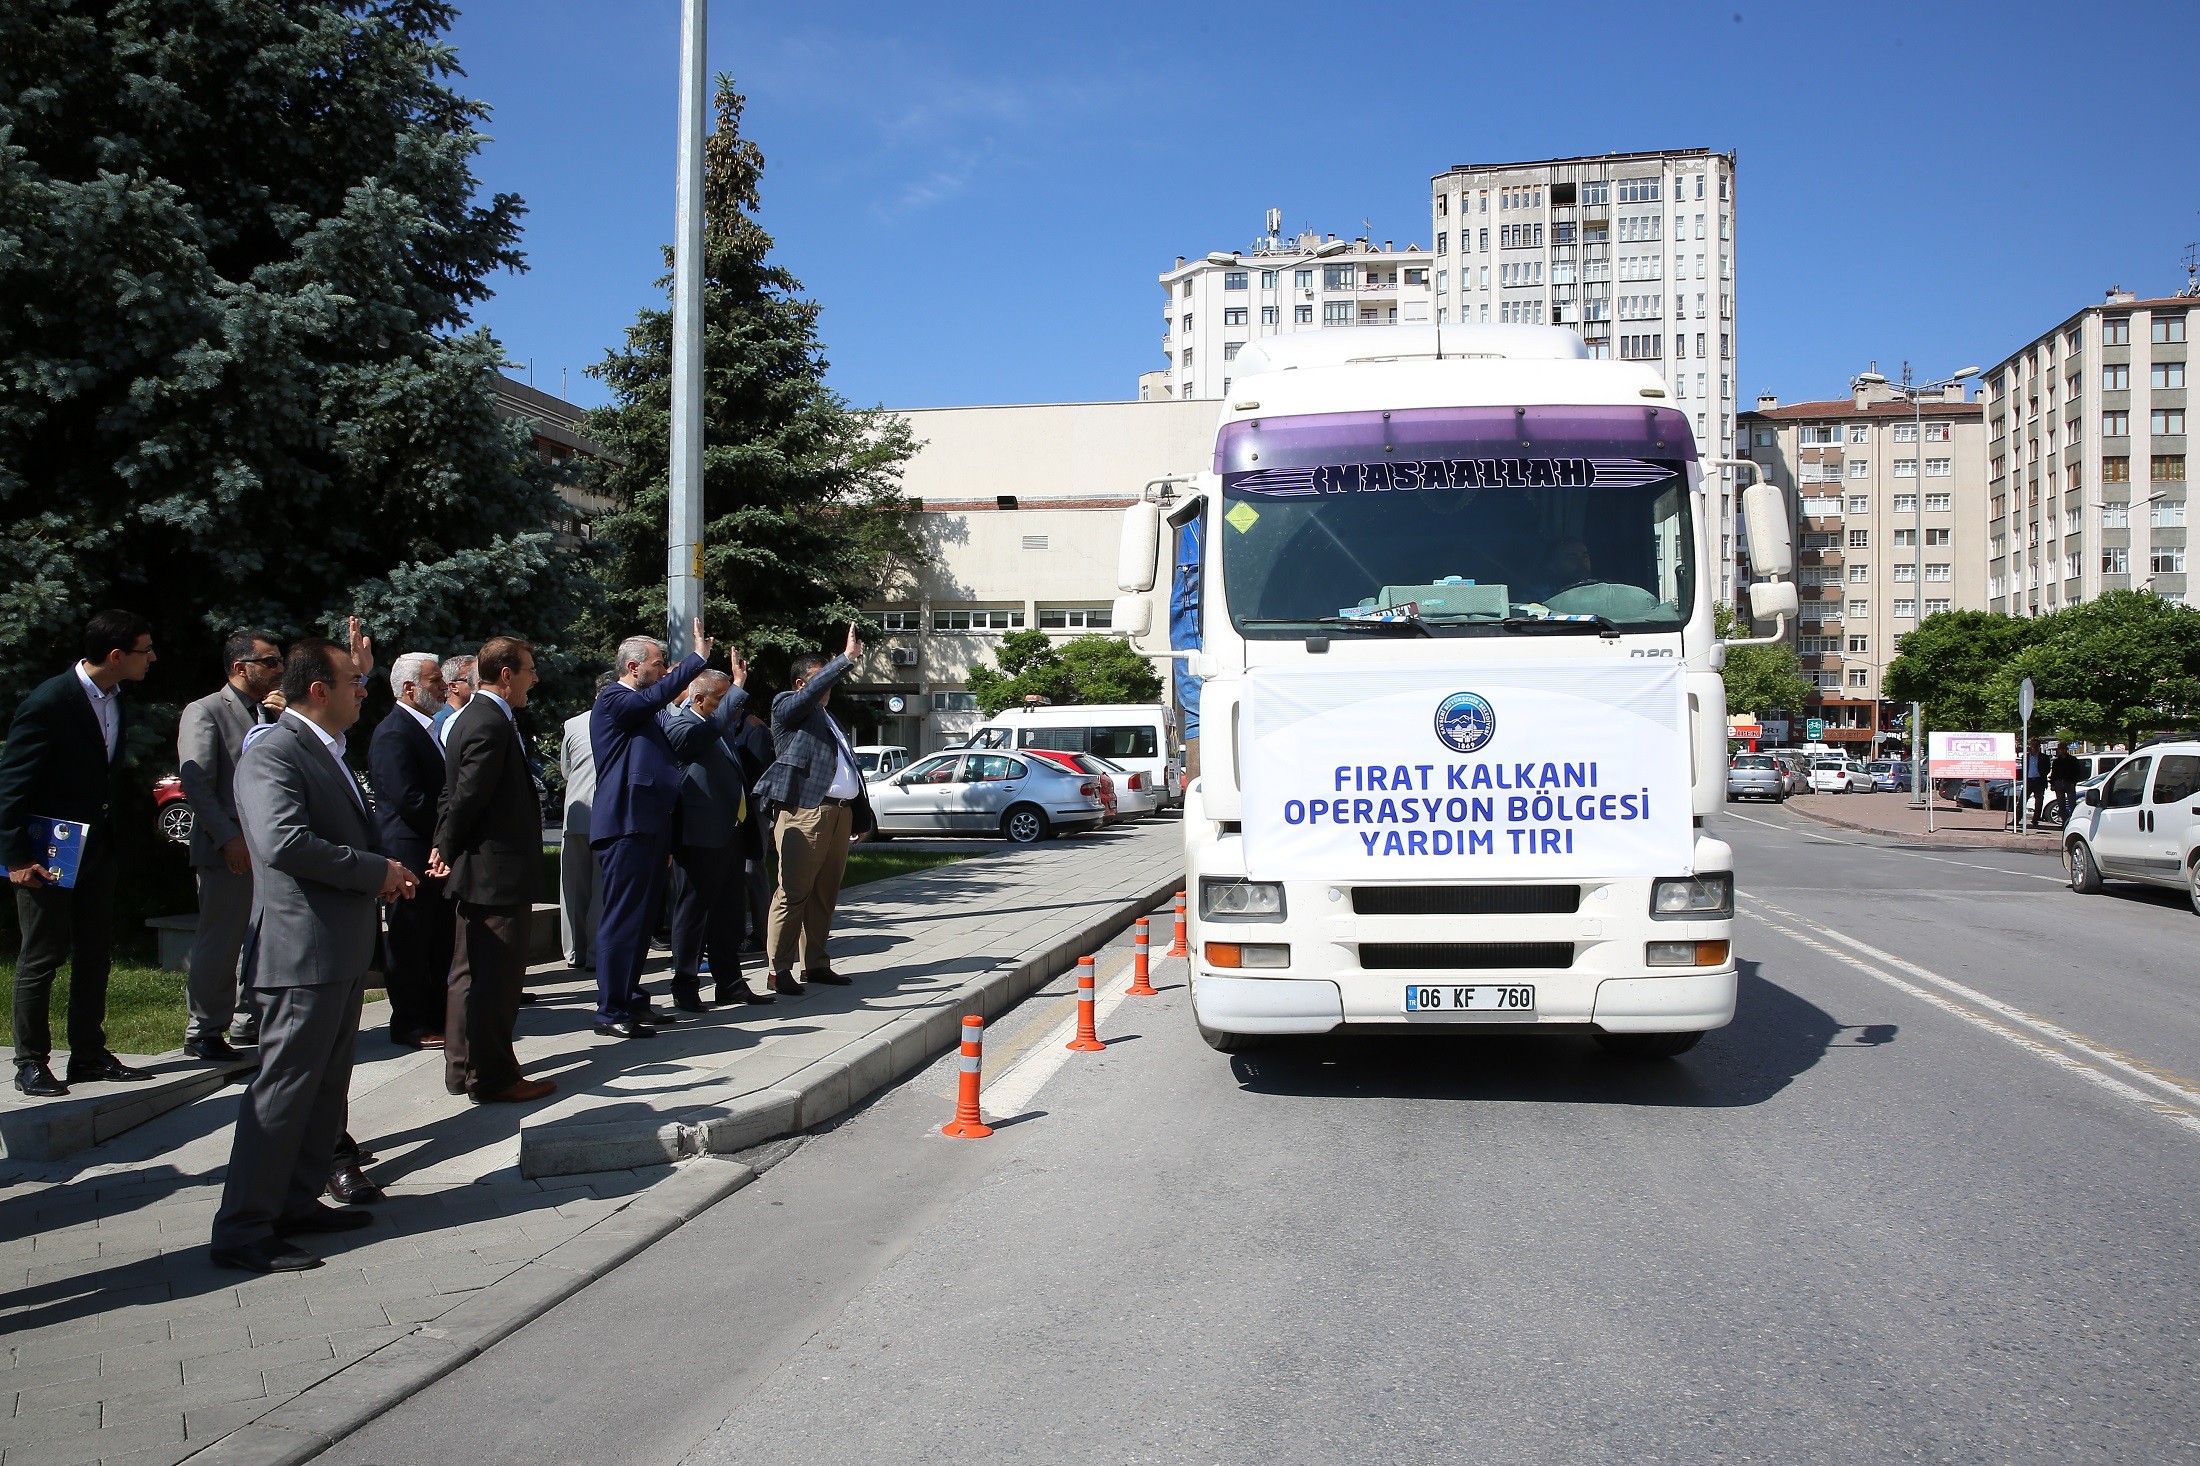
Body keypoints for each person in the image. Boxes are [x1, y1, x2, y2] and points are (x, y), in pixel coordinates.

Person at [209, 638, 418, 1272]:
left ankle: (295, 1202)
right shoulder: (274, 749)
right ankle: (243, 1227)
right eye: (355, 681)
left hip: (338, 949)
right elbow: (282, 842)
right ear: (319, 691)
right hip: (301, 951)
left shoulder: (322, 748)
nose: (364, 689)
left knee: (324, 1091)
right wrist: (374, 869)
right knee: (284, 1090)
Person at [0, 611, 161, 1097]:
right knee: (42, 954)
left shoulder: (116, 698)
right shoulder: (51, 702)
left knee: (95, 953)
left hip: (96, 848)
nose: (152, 658)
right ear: (116, 656)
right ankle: (30, 1061)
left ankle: (88, 1054)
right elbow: (11, 785)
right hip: (46, 851)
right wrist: (15, 859)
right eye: (144, 650)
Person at [430, 636, 555, 1104]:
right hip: (493, 873)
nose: (534, 679)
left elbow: (456, 794)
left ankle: (462, 1068)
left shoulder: (473, 718)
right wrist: (446, 844)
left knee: (467, 973)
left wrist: (445, 845)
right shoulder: (490, 722)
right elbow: (468, 795)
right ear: (506, 675)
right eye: (529, 669)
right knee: (497, 977)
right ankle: (494, 1075)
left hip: (480, 869)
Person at [590, 622, 713, 1038]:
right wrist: (697, 660)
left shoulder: (642, 706)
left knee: (642, 921)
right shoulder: (614, 699)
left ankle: (629, 998)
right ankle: (610, 1011)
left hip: (649, 824)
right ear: (632, 667)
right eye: (658, 665)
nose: (663, 673)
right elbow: (659, 696)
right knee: (623, 919)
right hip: (626, 823)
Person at [177, 628, 285, 1059]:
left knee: (257, 939)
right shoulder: (205, 712)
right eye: (271, 662)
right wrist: (228, 839)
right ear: (241, 667)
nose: (280, 669)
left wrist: (278, 720)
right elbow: (197, 783)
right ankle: (203, 1030)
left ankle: (245, 1021)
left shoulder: (271, 711)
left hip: (267, 850)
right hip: (228, 850)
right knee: (221, 941)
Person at [753, 625, 871, 998]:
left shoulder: (828, 718)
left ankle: (816, 964)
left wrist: (859, 812)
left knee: (825, 894)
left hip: (839, 814)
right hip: (806, 812)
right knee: (793, 892)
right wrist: (845, 659)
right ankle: (778, 969)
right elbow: (800, 703)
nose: (830, 686)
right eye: (822, 679)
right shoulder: (787, 706)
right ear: (802, 684)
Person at [663, 662, 773, 1009]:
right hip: (698, 837)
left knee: (730, 914)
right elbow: (696, 741)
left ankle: (730, 982)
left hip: (731, 832)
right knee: (694, 913)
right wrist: (738, 685)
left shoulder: (719, 728)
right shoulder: (680, 725)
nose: (732, 708)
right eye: (723, 700)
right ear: (697, 699)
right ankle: (685, 985)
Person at [368, 652, 452, 1050]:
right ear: (408, 688)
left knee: (435, 940)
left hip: (430, 852)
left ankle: (437, 1015)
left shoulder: (426, 729)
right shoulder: (394, 732)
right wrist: (445, 834)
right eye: (435, 681)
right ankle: (410, 1024)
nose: (443, 687)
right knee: (410, 941)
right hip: (410, 853)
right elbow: (409, 800)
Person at [559, 673, 614, 970]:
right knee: (602, 888)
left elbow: (566, 770)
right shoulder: (623, 720)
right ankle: (596, 953)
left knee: (572, 889)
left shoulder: (573, 724)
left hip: (576, 812)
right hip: (607, 815)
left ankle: (574, 953)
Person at [732, 707, 775, 951]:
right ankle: (736, 932)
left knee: (752, 869)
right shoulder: (724, 725)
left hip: (751, 808)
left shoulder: (754, 728)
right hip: (729, 807)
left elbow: (758, 775)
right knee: (734, 873)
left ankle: (762, 933)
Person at [431, 654, 475, 745]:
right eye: (471, 679)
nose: (479, 683)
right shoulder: (440, 722)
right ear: (454, 687)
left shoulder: (473, 715)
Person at [2049, 744, 2083, 826]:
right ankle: (2064, 821)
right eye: (2060, 749)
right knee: (2061, 804)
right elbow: (2053, 773)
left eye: (2063, 749)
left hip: (2069, 783)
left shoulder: (2073, 760)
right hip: (2059, 783)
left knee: (2072, 803)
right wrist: (2052, 784)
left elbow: (2077, 772)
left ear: (2066, 749)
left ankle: (2073, 820)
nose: (2062, 751)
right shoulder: (2057, 761)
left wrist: (2074, 782)